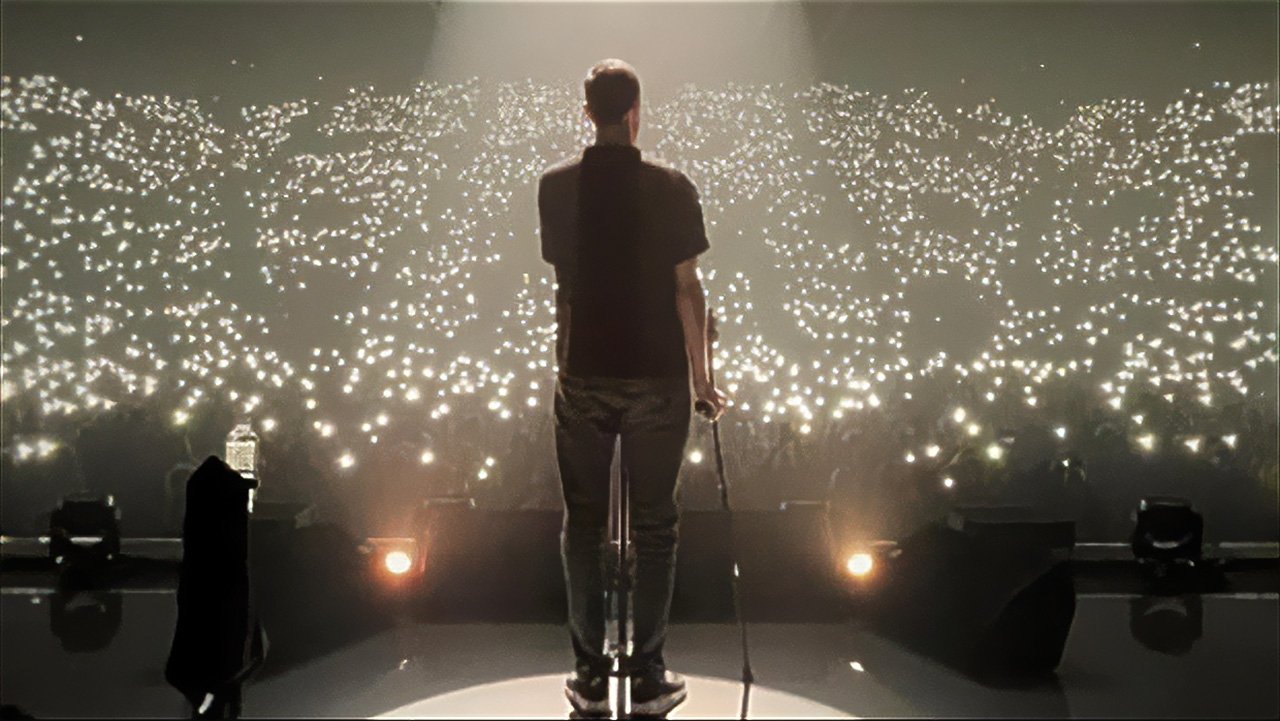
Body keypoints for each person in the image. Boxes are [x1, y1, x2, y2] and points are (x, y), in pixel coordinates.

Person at [537, 58, 727, 717]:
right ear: (637, 110)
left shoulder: (555, 187)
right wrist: (703, 376)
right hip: (656, 378)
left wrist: (566, 364)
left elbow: (565, 289)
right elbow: (687, 289)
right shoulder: (673, 186)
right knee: (655, 527)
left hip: (585, 372)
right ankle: (647, 675)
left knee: (584, 525)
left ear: (586, 112)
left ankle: (589, 676)